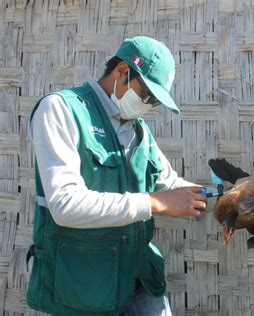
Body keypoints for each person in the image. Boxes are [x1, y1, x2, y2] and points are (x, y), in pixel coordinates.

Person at [26, 36, 207, 315]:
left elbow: (170, 185)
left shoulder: (139, 130)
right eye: (146, 95)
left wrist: (232, 195)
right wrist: (153, 203)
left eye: (155, 102)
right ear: (122, 71)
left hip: (137, 278)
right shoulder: (61, 110)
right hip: (83, 285)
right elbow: (65, 205)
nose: (148, 105)